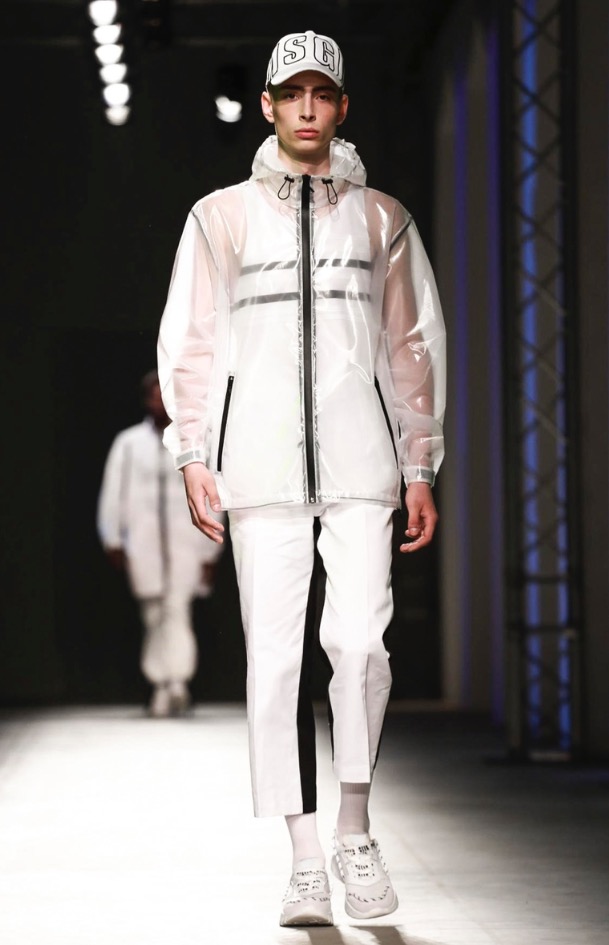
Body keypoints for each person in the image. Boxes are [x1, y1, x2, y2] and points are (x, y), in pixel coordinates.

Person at [158, 29, 446, 925]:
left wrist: (419, 462)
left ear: (342, 106)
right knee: (276, 659)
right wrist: (193, 452)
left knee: (359, 644)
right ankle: (305, 858)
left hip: (362, 462)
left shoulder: (382, 219)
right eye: (292, 93)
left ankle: (354, 830)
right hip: (258, 464)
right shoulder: (219, 217)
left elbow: (411, 347)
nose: (308, 108)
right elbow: (191, 341)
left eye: (322, 93)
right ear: (269, 105)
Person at [97, 370, 224, 718]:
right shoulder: (129, 443)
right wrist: (112, 539)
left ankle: (176, 683)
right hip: (143, 544)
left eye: (162, 394)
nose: (158, 401)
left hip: (186, 543)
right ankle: (161, 684)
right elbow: (113, 493)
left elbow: (212, 493)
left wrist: (212, 549)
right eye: (152, 395)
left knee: (177, 611)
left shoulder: (193, 441)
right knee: (153, 614)